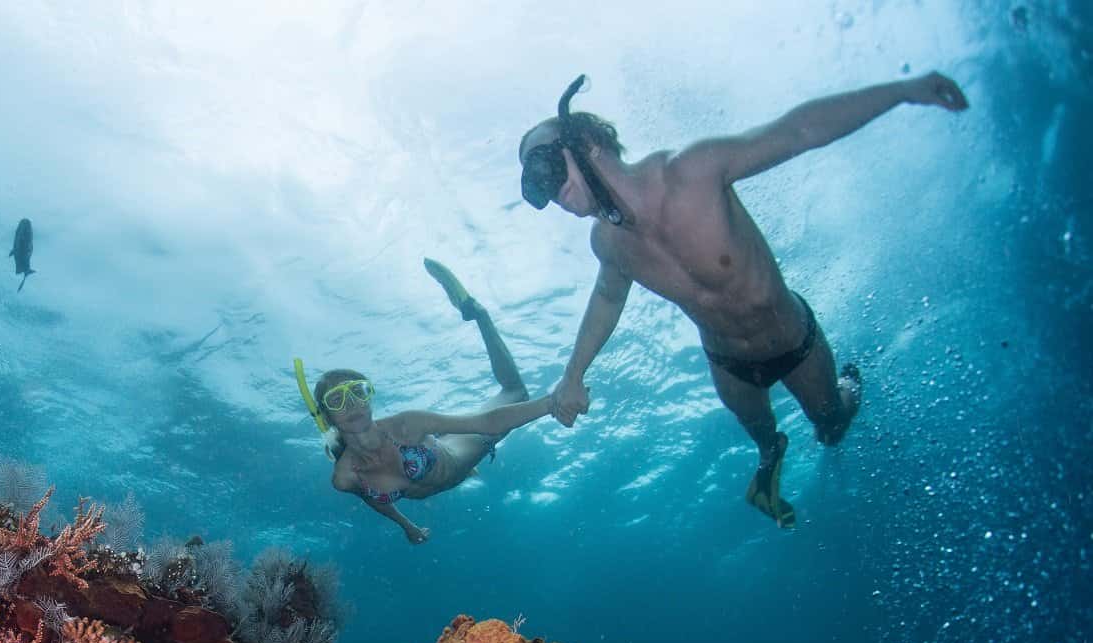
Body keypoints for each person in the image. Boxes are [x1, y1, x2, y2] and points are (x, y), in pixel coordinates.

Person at [519, 72, 969, 527]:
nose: (543, 188)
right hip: (728, 366)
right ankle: (769, 464)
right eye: (533, 183)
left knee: (831, 427)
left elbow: (799, 131)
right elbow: (606, 297)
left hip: (795, 343)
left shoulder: (690, 173)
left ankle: (849, 387)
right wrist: (572, 375)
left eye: (543, 165)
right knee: (765, 439)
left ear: (589, 142)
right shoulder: (609, 245)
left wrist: (901, 92)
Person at [309, 260, 554, 545]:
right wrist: (407, 526)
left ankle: (479, 314)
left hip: (461, 451)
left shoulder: (407, 425)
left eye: (358, 392)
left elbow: (487, 423)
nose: (351, 404)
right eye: (336, 400)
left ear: (370, 397)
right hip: (441, 464)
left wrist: (551, 403)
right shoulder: (344, 476)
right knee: (511, 396)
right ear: (326, 416)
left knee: (516, 392)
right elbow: (373, 500)